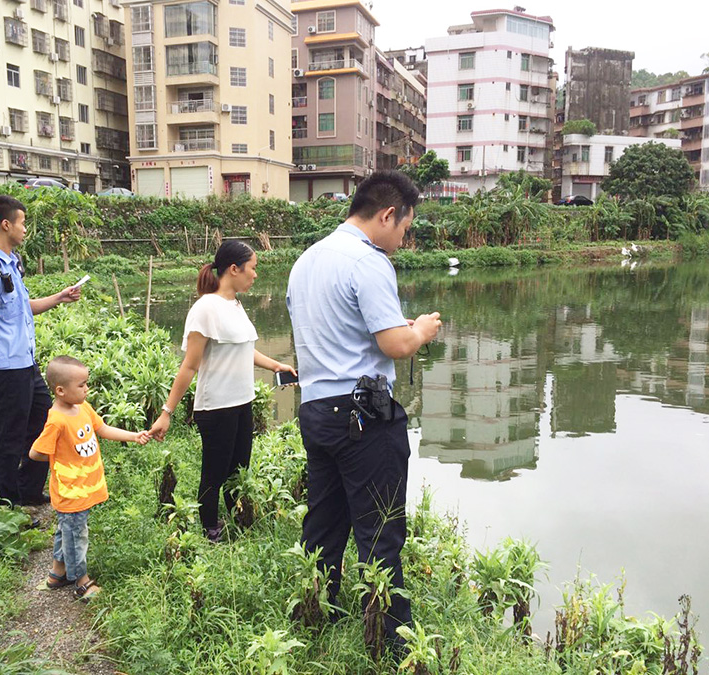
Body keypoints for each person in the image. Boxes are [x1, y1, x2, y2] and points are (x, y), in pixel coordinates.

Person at [285, 170, 442, 651]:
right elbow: (396, 345)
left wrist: (398, 328)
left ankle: (314, 614)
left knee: (324, 522)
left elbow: (336, 331)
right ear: (388, 215)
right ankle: (390, 642)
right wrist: (421, 331)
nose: (402, 240)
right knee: (381, 529)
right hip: (361, 415)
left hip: (316, 410)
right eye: (405, 229)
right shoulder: (369, 261)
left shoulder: (307, 260)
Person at [149, 241, 296, 542]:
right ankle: (210, 530)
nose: (255, 275)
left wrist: (275, 366)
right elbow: (189, 366)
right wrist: (166, 412)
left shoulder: (235, 305)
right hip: (216, 406)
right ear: (234, 269)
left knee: (239, 468)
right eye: (252, 268)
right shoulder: (205, 309)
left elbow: (243, 349)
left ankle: (238, 520)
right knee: (215, 472)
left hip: (243, 402)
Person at [0, 194, 82, 506]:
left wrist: (59, 297)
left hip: (26, 364)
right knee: (7, 437)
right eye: (22, 223)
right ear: (6, 225)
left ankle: (26, 490)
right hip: (7, 370)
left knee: (43, 420)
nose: (25, 229)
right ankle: (4, 504)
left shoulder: (10, 264)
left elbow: (24, 307)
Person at [29, 355, 151, 600]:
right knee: (76, 536)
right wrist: (59, 457)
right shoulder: (57, 421)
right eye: (82, 385)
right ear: (61, 391)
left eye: (86, 383)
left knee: (67, 531)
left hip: (83, 488)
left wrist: (133, 436)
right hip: (71, 491)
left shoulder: (82, 407)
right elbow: (36, 452)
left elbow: (102, 429)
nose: (87, 389)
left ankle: (58, 573)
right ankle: (81, 582)